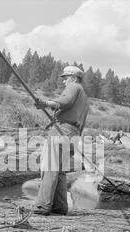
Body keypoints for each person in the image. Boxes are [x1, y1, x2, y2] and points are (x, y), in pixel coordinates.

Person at [33, 65, 90, 216]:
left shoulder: (74, 87)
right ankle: (59, 207)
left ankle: (42, 206)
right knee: (59, 172)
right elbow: (80, 121)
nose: (64, 82)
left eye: (65, 78)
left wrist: (45, 103)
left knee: (50, 168)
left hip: (61, 132)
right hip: (73, 135)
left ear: (73, 78)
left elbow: (65, 101)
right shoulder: (85, 99)